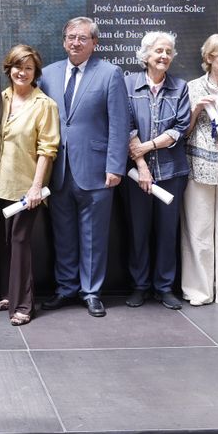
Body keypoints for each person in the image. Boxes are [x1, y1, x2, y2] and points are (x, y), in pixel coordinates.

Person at [39, 17, 127, 317]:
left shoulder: (110, 73)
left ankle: (91, 292)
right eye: (71, 37)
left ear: (95, 43)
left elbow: (119, 123)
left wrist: (115, 166)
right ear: (64, 40)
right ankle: (66, 288)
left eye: (83, 38)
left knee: (93, 236)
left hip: (97, 169)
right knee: (62, 233)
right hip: (58, 170)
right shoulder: (47, 74)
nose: (75, 42)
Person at [0, 45, 58, 326]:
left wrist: (35, 188)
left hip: (28, 187)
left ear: (35, 72)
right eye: (18, 67)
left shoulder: (45, 105)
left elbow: (48, 149)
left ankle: (24, 305)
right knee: (5, 242)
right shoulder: (0, 98)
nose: (22, 72)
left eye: (29, 68)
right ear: (9, 69)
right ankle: (8, 294)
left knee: (20, 241)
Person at [124, 31, 190, 311]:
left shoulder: (180, 87)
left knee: (167, 232)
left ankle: (164, 287)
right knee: (138, 231)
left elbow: (180, 128)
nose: (163, 56)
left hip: (172, 172)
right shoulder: (127, 84)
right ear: (145, 55)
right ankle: (140, 286)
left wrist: (147, 147)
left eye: (168, 52)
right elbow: (125, 126)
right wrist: (141, 166)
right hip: (136, 175)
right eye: (158, 51)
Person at [180, 33, 218, 309]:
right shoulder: (191, 87)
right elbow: (181, 131)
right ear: (209, 58)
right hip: (198, 166)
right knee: (197, 231)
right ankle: (198, 290)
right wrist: (195, 110)